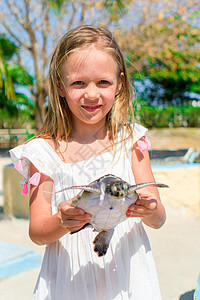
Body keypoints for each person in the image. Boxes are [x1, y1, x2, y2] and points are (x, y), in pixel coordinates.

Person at [10, 25, 166, 300]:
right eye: (78, 83)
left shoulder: (131, 140)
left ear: (120, 84)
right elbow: (37, 231)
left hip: (128, 278)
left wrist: (148, 208)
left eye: (103, 83)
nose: (91, 94)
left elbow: (158, 217)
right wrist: (62, 219)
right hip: (69, 285)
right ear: (60, 85)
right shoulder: (42, 153)